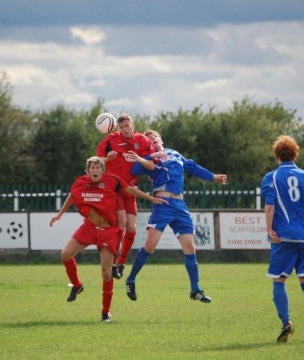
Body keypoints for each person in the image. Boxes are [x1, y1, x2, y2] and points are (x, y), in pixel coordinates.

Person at [49, 156, 167, 323]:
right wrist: (60, 214)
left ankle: (106, 312)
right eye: (93, 168)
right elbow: (72, 195)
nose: (95, 170)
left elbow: (131, 190)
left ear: (103, 170)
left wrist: (152, 199)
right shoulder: (80, 182)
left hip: (108, 231)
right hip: (89, 228)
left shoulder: (112, 181)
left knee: (106, 273)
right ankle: (77, 286)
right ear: (87, 170)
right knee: (65, 254)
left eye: (98, 167)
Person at [123, 130, 227, 304]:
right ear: (147, 144)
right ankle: (131, 279)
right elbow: (135, 169)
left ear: (161, 139)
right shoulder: (150, 157)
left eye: (155, 136)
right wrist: (149, 156)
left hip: (180, 204)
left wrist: (213, 177)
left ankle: (196, 290)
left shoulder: (174, 153)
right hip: (162, 203)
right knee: (150, 245)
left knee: (190, 247)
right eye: (149, 138)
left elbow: (193, 167)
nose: (153, 138)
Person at [261, 135, 304, 343]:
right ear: (295, 154)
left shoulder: (272, 177)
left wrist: (269, 229)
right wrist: (301, 217)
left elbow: (270, 206)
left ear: (277, 155)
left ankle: (286, 323)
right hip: (303, 238)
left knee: (279, 281)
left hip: (282, 238)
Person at [96, 114, 154, 280]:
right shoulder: (110, 140)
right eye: (121, 127)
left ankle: (120, 263)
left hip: (130, 189)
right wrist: (107, 158)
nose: (124, 129)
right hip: (113, 188)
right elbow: (97, 163)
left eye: (127, 126)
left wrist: (140, 159)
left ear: (133, 125)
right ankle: (113, 260)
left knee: (132, 227)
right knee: (121, 221)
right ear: (118, 128)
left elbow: (151, 165)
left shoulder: (142, 140)